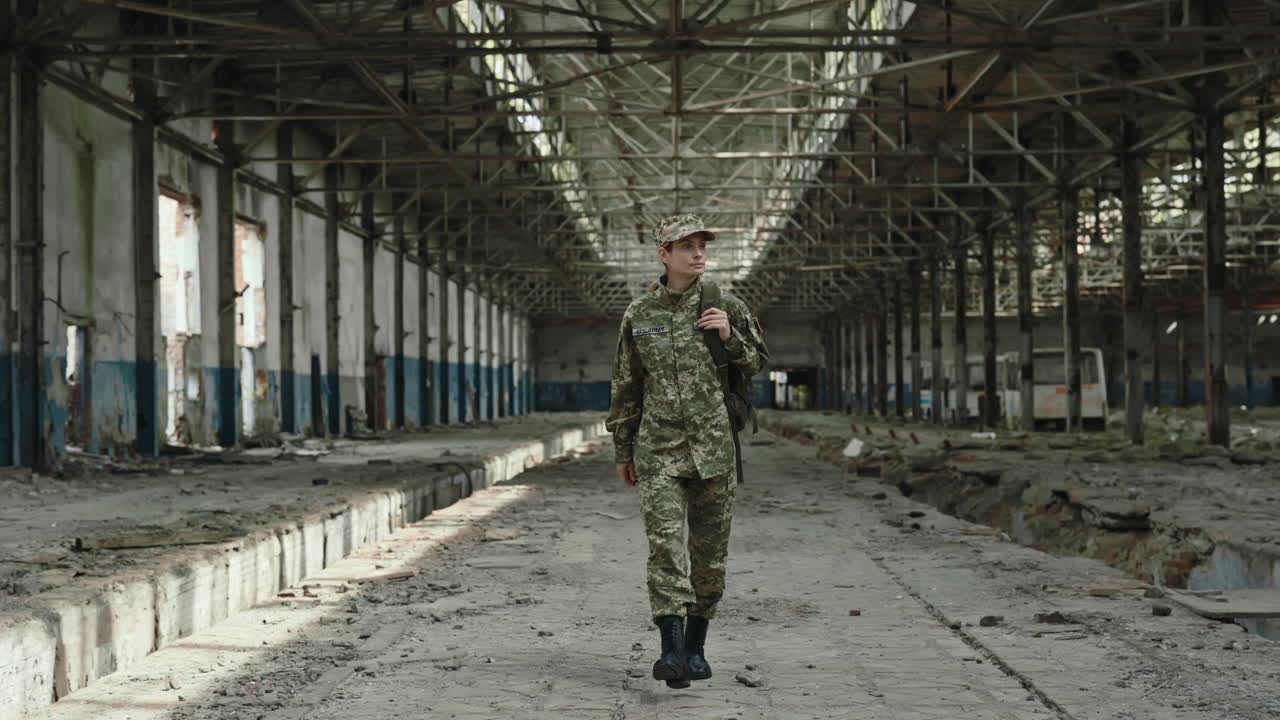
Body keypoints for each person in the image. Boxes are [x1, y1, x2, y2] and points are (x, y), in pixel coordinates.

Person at [606, 213, 767, 688]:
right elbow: (626, 385)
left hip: (714, 451)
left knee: (709, 555)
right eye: (686, 246)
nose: (698, 254)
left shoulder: (727, 306)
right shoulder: (639, 314)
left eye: (702, 245)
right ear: (664, 254)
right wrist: (623, 449)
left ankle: (696, 650)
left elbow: (757, 363)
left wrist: (729, 336)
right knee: (665, 550)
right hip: (658, 450)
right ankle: (670, 652)